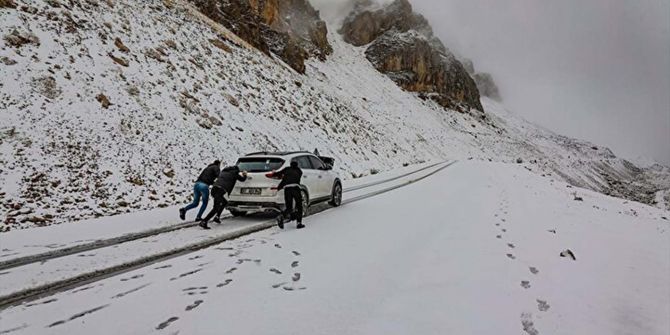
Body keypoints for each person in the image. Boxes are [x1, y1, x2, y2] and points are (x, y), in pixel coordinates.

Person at [199, 165, 248, 230]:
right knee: (216, 208)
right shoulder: (235, 173)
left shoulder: (223, 171)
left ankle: (217, 217)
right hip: (221, 190)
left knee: (224, 202)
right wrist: (245, 175)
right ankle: (204, 221)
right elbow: (242, 179)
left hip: (214, 189)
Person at [275, 161, 305, 229]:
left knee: (289, 207)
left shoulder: (287, 169)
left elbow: (282, 176)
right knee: (299, 206)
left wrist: (279, 187)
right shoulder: (299, 171)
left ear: (290, 165)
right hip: (295, 188)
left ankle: (281, 216)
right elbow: (293, 178)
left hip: (287, 189)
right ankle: (299, 223)